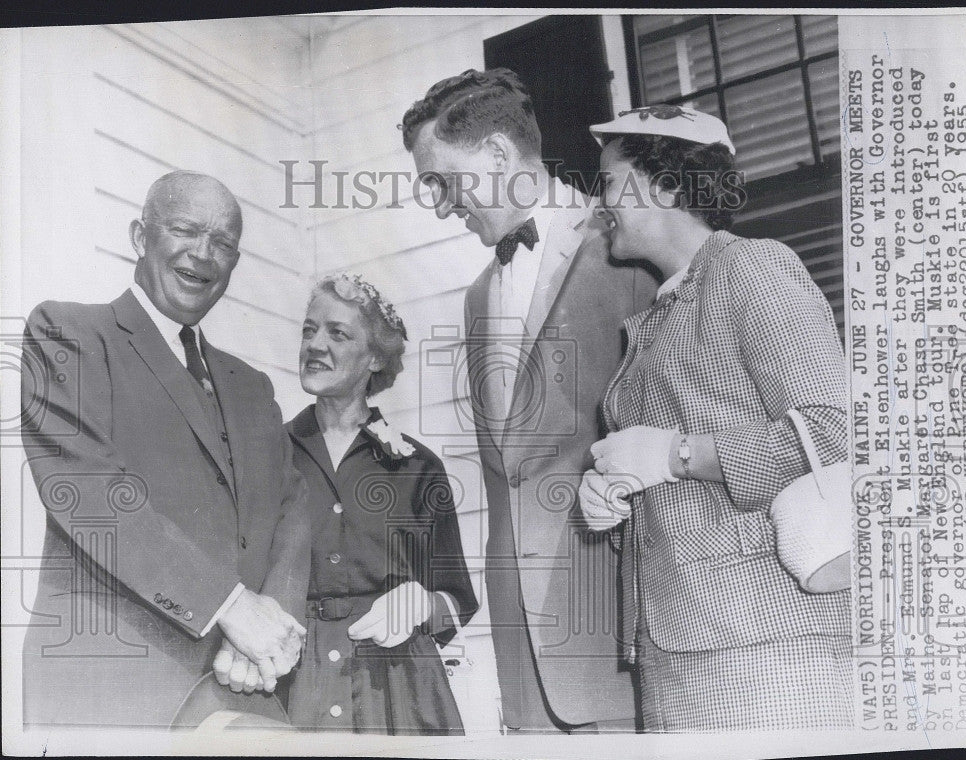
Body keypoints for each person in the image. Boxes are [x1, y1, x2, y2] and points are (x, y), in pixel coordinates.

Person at [578, 105, 853, 731]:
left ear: (665, 184)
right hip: (674, 649)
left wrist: (674, 455)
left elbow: (835, 429)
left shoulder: (749, 267)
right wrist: (615, 496)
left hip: (767, 644)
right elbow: (676, 491)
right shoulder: (654, 318)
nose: (600, 204)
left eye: (609, 181)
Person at [401, 68, 657, 733]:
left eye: (442, 181)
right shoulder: (477, 296)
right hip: (526, 665)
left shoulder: (626, 244)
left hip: (621, 638)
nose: (439, 204)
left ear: (495, 155)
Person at [19, 171, 310, 727]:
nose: (203, 254)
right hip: (108, 685)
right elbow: (86, 489)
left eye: (223, 243)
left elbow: (292, 515)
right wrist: (231, 607)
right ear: (139, 236)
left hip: (240, 686)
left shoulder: (252, 387)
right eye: (184, 229)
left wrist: (271, 631)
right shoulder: (68, 333)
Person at [285, 274, 478, 733]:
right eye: (309, 330)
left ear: (373, 358)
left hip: (395, 688)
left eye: (337, 333)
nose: (315, 344)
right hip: (294, 682)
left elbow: (458, 600)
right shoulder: (270, 455)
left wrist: (419, 605)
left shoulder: (417, 467)